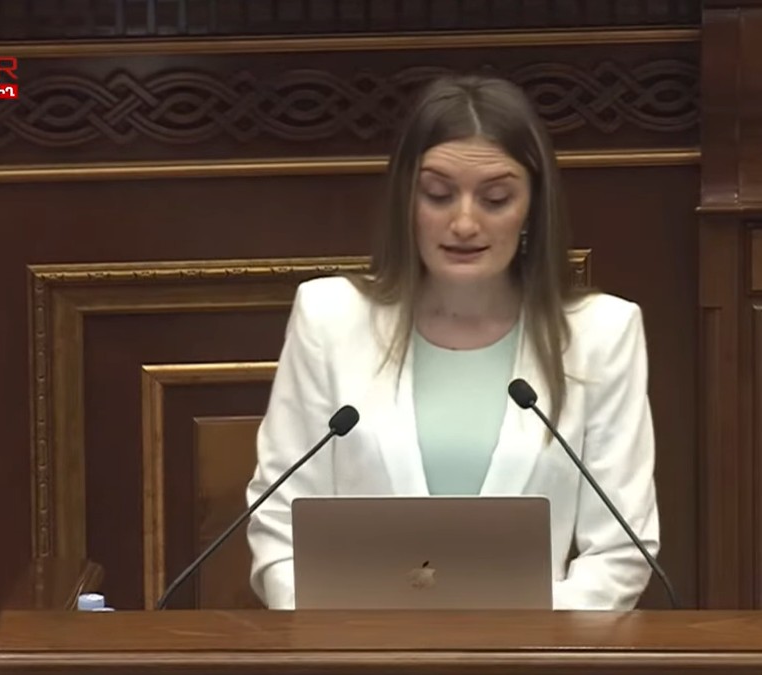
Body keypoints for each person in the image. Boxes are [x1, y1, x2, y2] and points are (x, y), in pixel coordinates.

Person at [244, 74, 660, 611]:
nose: (464, 223)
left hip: (530, 649)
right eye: (438, 195)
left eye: (495, 198)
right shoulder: (329, 318)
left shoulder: (602, 333)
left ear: (532, 207)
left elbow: (621, 552)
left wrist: (513, 636)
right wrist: (345, 634)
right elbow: (279, 525)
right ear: (406, 199)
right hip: (357, 645)